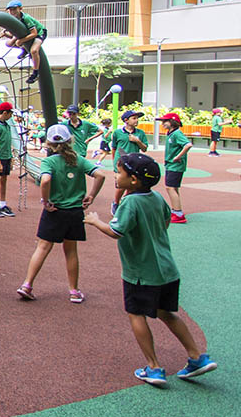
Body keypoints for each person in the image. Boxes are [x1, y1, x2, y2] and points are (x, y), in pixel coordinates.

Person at [85, 154, 217, 388]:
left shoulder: (130, 202)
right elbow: (165, 222)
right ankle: (196, 357)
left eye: (119, 172)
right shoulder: (157, 197)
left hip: (140, 273)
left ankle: (154, 367)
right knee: (167, 313)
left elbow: (116, 231)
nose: (116, 175)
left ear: (133, 180)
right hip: (167, 270)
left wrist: (95, 221)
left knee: (136, 314)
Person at [15, 125, 108, 303]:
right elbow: (100, 175)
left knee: (42, 247)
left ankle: (27, 284)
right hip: (74, 212)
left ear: (49, 143)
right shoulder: (79, 160)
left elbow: (45, 180)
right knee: (71, 251)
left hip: (55, 211)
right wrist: (91, 196)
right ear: (70, 141)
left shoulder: (49, 162)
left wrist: (46, 200)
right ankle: (74, 290)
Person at [110, 110, 149, 214]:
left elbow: (144, 149)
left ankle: (125, 203)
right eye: (134, 118)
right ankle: (116, 203)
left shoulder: (140, 133)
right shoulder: (118, 133)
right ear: (126, 120)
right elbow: (114, 148)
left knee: (132, 185)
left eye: (137, 118)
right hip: (121, 163)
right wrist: (114, 162)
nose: (136, 120)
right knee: (121, 186)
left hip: (135, 163)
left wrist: (137, 141)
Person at [156, 113, 193, 223]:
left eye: (165, 121)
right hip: (171, 164)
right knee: (173, 188)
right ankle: (176, 210)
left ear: (172, 122)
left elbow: (188, 145)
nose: (162, 124)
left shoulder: (176, 133)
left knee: (170, 188)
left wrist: (177, 157)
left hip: (175, 165)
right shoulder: (170, 134)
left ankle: (178, 213)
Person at [3, 0, 47, 84]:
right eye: (10, 10)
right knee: (9, 43)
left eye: (14, 9)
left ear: (20, 9)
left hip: (39, 33)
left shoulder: (25, 18)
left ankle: (35, 72)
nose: (12, 12)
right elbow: (12, 35)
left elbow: (34, 33)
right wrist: (5, 34)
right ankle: (25, 49)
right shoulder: (13, 20)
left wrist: (21, 40)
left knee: (34, 50)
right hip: (25, 34)